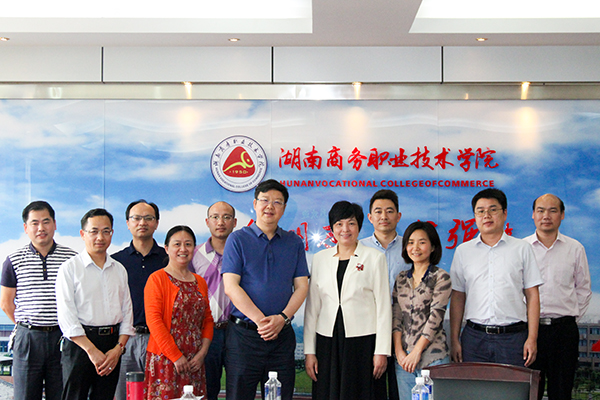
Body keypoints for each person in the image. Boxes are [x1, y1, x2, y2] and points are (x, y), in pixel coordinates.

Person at [222, 179, 309, 400]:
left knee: (279, 396)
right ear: (255, 204)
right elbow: (231, 286)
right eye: (265, 200)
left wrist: (282, 318)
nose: (270, 206)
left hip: (281, 337)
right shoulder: (237, 239)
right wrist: (262, 322)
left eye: (277, 202)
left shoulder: (294, 242)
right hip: (244, 338)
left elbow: (302, 287)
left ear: (284, 208)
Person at [304, 201, 392, 400]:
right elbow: (312, 309)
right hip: (327, 340)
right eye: (339, 224)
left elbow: (383, 308)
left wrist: (381, 351)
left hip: (363, 342)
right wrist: (309, 351)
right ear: (332, 228)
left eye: (351, 223)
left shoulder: (374, 257)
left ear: (359, 226)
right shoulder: (320, 258)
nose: (345, 229)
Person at [449, 188, 543, 367]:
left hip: (513, 338)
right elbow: (458, 297)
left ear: (505, 213)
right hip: (474, 338)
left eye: (493, 210)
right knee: (474, 385)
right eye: (480, 211)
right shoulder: (463, 251)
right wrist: (454, 339)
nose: (487, 215)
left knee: (513, 385)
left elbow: (532, 295)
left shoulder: (522, 248)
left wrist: (532, 338)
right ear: (475, 216)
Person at [0, 201, 77, 400]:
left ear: (55, 224)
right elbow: (6, 303)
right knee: (25, 395)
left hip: (62, 337)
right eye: (34, 223)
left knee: (61, 395)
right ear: (26, 228)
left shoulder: (72, 259)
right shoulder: (13, 260)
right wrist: (28, 327)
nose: (41, 228)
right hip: (28, 339)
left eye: (46, 221)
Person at [56, 208, 134, 400]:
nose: (100, 237)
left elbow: (127, 312)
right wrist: (92, 351)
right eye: (94, 231)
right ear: (83, 234)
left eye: (106, 231)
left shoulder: (119, 269)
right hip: (80, 346)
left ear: (112, 234)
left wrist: (118, 349)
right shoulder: (70, 268)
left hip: (112, 346)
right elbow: (67, 317)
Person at [524, 194, 591, 400]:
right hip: (528, 332)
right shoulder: (521, 248)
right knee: (528, 392)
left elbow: (583, 289)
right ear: (533, 215)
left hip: (564, 332)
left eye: (553, 211)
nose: (546, 216)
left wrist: (569, 318)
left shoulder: (575, 248)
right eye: (541, 211)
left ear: (562, 215)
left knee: (561, 392)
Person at [144, 225, 214, 400]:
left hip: (195, 361)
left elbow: (207, 320)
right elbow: (154, 321)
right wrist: (176, 357)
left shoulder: (200, 281)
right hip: (166, 359)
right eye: (177, 244)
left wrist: (202, 354)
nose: (183, 249)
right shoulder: (157, 279)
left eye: (188, 244)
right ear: (166, 248)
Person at [112, 200, 167, 400]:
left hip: (159, 339)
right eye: (136, 218)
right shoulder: (115, 261)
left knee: (159, 394)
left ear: (156, 223)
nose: (142, 223)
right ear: (128, 223)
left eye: (148, 218)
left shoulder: (167, 259)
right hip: (126, 340)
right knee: (123, 395)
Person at [392, 221, 451, 400]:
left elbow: (436, 318)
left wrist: (416, 352)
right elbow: (396, 317)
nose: (415, 248)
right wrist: (399, 352)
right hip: (404, 361)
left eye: (422, 242)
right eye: (410, 242)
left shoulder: (441, 277)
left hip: (433, 358)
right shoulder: (401, 278)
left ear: (433, 247)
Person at [360, 189, 410, 400]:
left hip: (405, 329)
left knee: (402, 386)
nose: (384, 216)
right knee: (372, 386)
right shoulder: (358, 248)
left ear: (398, 216)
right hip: (369, 328)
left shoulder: (411, 247)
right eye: (378, 211)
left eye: (389, 211)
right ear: (370, 217)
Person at [189, 201, 237, 400]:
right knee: (208, 389)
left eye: (226, 217)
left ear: (234, 222)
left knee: (239, 388)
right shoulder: (194, 254)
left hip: (237, 331)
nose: (220, 222)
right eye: (215, 217)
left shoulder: (242, 253)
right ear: (207, 222)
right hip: (206, 333)